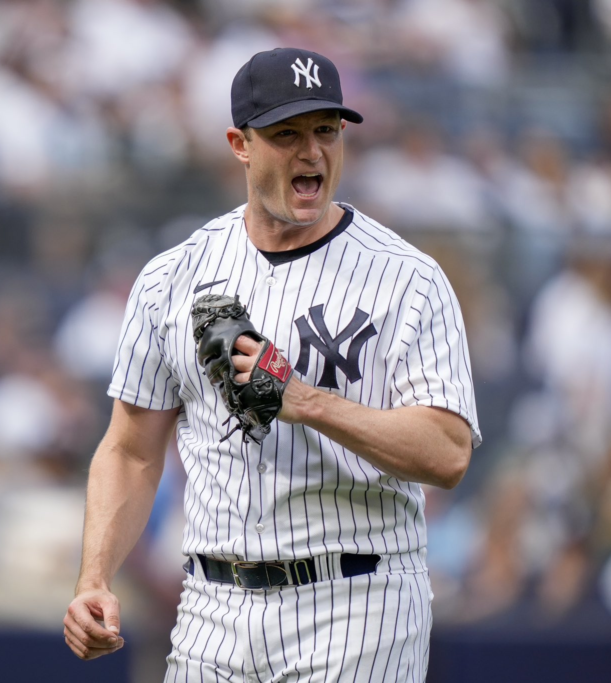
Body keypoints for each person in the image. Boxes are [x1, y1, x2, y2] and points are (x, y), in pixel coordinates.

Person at [62, 47, 481, 681]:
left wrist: (306, 400)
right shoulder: (174, 278)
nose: (312, 152)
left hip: (357, 601)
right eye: (287, 134)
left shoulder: (407, 279)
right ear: (240, 144)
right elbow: (130, 450)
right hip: (212, 604)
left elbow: (447, 453)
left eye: (326, 131)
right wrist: (94, 575)